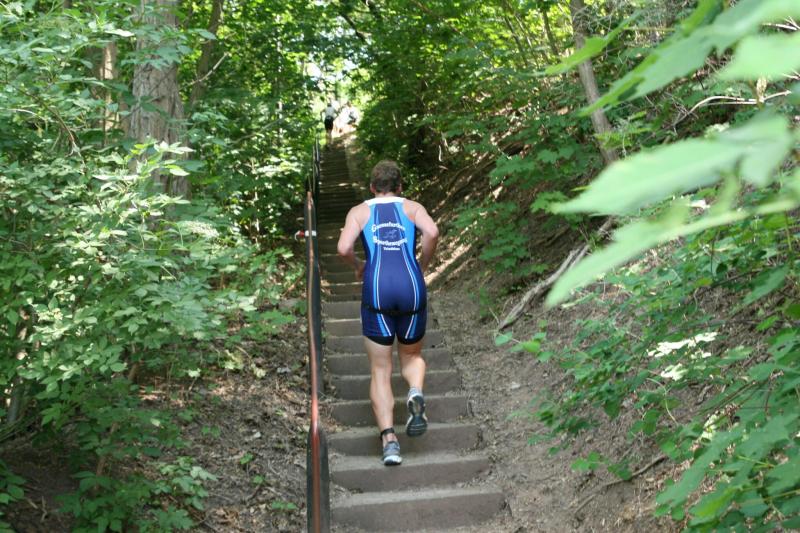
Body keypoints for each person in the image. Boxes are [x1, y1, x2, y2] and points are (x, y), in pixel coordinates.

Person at [337, 161, 439, 466]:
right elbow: (432, 232)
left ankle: (390, 442)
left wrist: (359, 266)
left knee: (380, 369)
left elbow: (343, 248)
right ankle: (415, 390)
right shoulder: (412, 207)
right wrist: (422, 266)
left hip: (377, 289)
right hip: (411, 287)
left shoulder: (359, 211)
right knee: (411, 356)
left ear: (372, 187)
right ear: (400, 187)